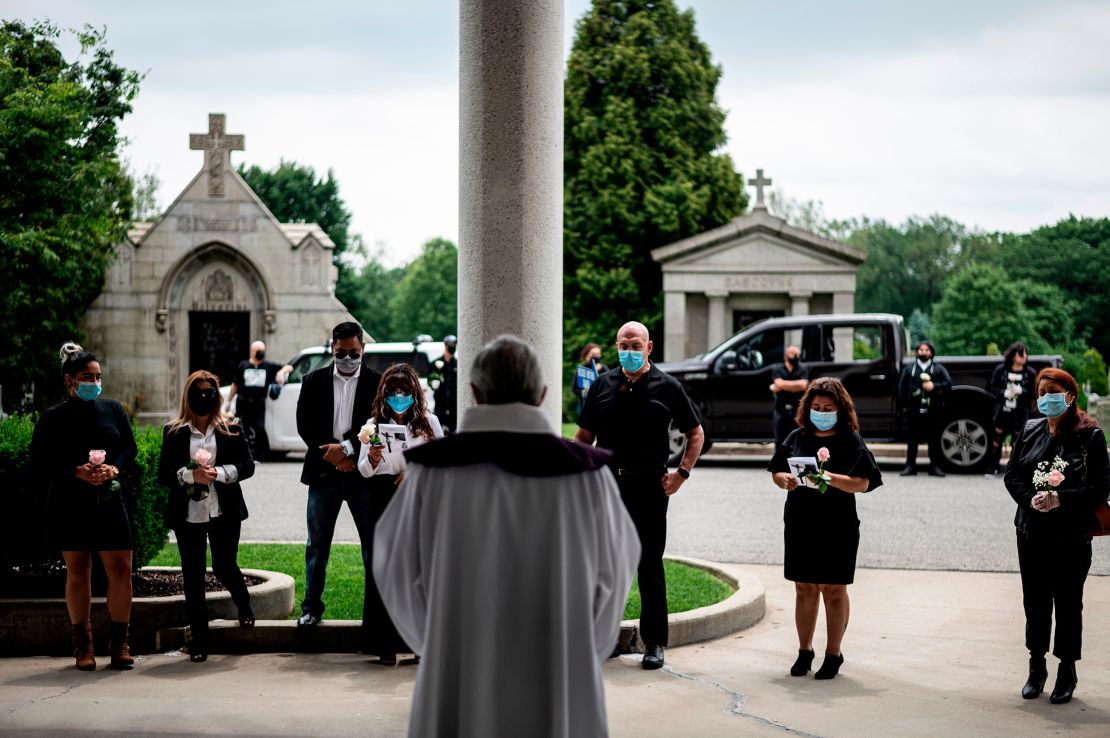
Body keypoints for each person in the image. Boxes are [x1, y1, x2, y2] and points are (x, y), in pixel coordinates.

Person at [373, 335, 639, 737]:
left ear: (475, 392)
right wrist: (582, 644)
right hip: (558, 660)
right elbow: (617, 568)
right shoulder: (587, 476)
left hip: (459, 663)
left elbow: (393, 563)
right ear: (542, 395)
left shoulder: (433, 473)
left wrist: (440, 639)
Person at [575, 320, 704, 670]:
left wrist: (682, 473)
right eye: (623, 345)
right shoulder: (602, 384)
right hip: (608, 488)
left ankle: (655, 643)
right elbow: (583, 437)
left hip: (650, 486)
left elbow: (695, 433)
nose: (628, 351)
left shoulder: (667, 386)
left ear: (648, 348)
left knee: (649, 565)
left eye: (635, 346)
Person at [30, 343, 137, 671]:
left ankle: (119, 644)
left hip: (109, 499)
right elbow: (39, 463)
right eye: (87, 377)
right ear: (69, 380)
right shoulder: (52, 417)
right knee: (79, 571)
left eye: (98, 376)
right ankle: (84, 645)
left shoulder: (113, 409)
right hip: (69, 502)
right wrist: (75, 471)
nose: (94, 382)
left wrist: (113, 469)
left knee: (120, 570)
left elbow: (128, 449)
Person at [1004, 367, 1108, 704]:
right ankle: (1037, 668)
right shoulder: (1031, 429)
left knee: (1066, 604)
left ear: (1070, 395)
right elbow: (1012, 475)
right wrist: (1030, 500)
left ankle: (1067, 670)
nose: (1046, 397)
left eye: (1053, 390)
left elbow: (1099, 488)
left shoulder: (1089, 436)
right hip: (1030, 531)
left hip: (1070, 536)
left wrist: (1060, 498)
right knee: (1034, 603)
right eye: (1041, 391)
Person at [768, 377, 883, 680]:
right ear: (808, 408)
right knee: (804, 587)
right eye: (816, 407)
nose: (821, 411)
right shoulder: (797, 436)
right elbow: (777, 471)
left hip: (838, 523)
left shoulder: (850, 440)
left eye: (828, 407)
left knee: (833, 589)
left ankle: (834, 653)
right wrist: (786, 481)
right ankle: (804, 650)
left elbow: (864, 482)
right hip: (800, 521)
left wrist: (830, 478)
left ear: (840, 409)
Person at [158, 370, 257, 663]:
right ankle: (199, 640)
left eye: (209, 391)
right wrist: (190, 475)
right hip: (188, 514)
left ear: (217, 395)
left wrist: (222, 473)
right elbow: (164, 474)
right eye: (198, 392)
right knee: (193, 574)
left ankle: (244, 604)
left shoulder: (231, 428)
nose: (204, 396)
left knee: (225, 565)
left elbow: (248, 466)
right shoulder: (174, 431)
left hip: (224, 509)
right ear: (189, 396)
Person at [295, 321, 382, 627]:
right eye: (341, 352)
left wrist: (346, 450)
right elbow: (305, 425)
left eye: (353, 352)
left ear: (363, 349)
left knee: (372, 546)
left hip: (363, 475)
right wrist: (332, 458)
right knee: (316, 546)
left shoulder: (377, 382)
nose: (347, 358)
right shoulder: (312, 380)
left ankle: (374, 615)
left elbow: (377, 426)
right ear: (331, 347)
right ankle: (310, 608)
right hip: (322, 474)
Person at [357, 363, 444, 665]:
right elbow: (364, 471)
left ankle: (420, 641)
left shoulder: (429, 422)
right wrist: (372, 457)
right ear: (384, 394)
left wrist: (414, 473)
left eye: (404, 392)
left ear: (413, 393)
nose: (398, 397)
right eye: (393, 392)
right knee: (387, 569)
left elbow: (441, 464)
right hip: (384, 497)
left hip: (418, 497)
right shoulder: (373, 425)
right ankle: (385, 642)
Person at [226, 340, 290, 460]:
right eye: (258, 351)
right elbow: (235, 385)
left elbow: (289, 366)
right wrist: (229, 401)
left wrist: (282, 372)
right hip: (243, 402)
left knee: (259, 428)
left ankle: (259, 455)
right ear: (252, 352)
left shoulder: (268, 366)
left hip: (258, 403)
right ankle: (244, 455)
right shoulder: (243, 365)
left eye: (262, 351)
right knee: (241, 428)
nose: (261, 353)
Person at [898, 340, 951, 476]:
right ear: (916, 353)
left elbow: (948, 384)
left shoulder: (938, 368)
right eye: (921, 350)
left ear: (931, 353)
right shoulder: (909, 369)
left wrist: (934, 386)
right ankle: (910, 466)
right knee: (912, 440)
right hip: (913, 410)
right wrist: (905, 406)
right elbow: (902, 388)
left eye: (927, 350)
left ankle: (934, 466)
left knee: (933, 439)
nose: (924, 352)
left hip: (933, 410)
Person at [985, 341, 1037, 478]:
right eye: (1021, 353)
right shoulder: (1001, 370)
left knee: (1017, 442)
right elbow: (991, 388)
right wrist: (1003, 393)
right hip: (1002, 411)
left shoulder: (1030, 373)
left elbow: (1035, 392)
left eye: (1026, 353)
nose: (1024, 356)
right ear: (1013, 355)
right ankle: (993, 466)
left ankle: (1014, 470)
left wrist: (1022, 391)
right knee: (996, 440)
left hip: (1020, 413)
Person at [771, 345, 809, 449]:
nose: (797, 357)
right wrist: (796, 385)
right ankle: (779, 461)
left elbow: (803, 385)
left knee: (797, 437)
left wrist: (782, 385)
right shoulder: (777, 368)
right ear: (786, 355)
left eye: (798, 354)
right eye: (794, 354)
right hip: (781, 408)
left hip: (797, 408)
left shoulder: (803, 368)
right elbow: (778, 383)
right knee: (779, 438)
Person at [572, 342, 607, 418]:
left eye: (598, 354)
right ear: (586, 355)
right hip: (584, 405)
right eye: (593, 354)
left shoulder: (604, 369)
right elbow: (575, 388)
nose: (596, 357)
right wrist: (584, 392)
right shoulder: (581, 370)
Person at [432, 334, 458, 433]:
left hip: (453, 404)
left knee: (454, 429)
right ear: (446, 345)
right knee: (437, 429)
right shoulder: (436, 363)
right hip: (440, 403)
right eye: (451, 345)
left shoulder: (457, 364)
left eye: (454, 345)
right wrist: (433, 383)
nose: (452, 347)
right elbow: (431, 379)